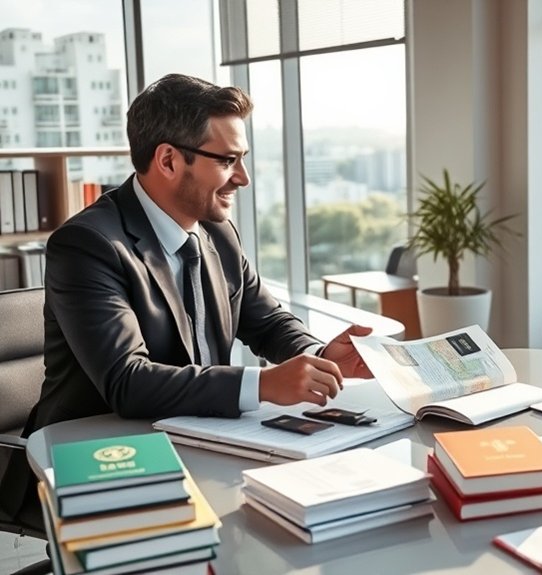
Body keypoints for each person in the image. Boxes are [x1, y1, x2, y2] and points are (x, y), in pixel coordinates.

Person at [0, 74, 374, 527]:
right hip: (100, 457)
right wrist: (264, 384)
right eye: (228, 160)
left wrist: (318, 355)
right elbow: (127, 381)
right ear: (169, 160)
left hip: (197, 441)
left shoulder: (217, 231)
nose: (244, 178)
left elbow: (267, 321)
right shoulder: (87, 244)